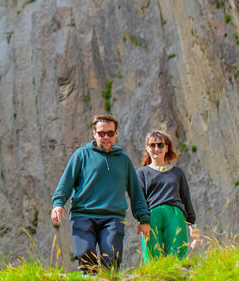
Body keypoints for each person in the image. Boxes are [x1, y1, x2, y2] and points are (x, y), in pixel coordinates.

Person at [49, 113, 151, 272]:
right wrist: (58, 203)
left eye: (110, 133)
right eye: (101, 133)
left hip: (113, 217)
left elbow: (135, 191)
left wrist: (144, 218)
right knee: (85, 255)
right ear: (94, 133)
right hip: (82, 215)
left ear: (116, 133)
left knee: (111, 259)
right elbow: (66, 181)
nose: (106, 137)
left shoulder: (124, 161)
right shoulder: (82, 155)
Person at [137, 129, 197, 261]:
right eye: (152, 145)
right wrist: (143, 220)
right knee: (152, 255)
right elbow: (139, 199)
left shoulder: (177, 172)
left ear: (167, 148)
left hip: (175, 214)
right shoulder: (141, 173)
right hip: (152, 215)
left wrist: (192, 224)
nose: (156, 148)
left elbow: (186, 198)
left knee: (178, 254)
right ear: (147, 148)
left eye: (160, 145)